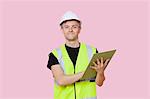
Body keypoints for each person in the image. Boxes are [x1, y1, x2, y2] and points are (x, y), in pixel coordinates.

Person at [47, 11, 110, 99]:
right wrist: (86, 73)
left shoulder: (92, 51)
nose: (70, 30)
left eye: (74, 27)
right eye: (66, 27)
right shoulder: (55, 54)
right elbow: (61, 80)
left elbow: (99, 83)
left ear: (79, 29)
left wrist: (100, 72)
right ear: (62, 30)